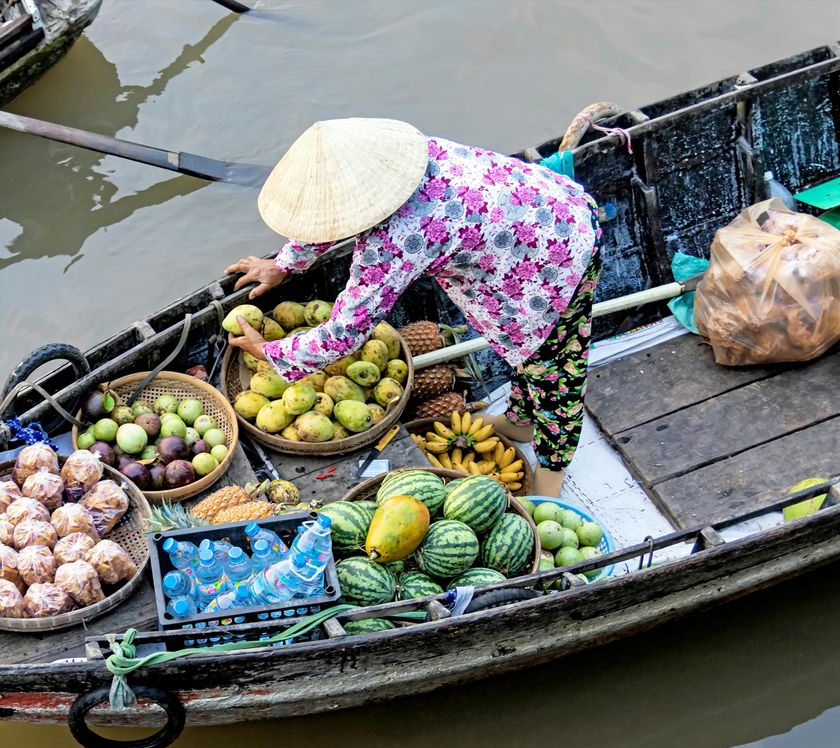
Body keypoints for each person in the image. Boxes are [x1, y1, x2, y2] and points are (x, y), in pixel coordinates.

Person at [225, 118, 602, 497]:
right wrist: (284, 263)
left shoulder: (397, 240)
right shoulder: (412, 158)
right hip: (542, 214)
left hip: (556, 263)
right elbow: (331, 217)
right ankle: (521, 420)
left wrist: (271, 352)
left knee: (554, 372)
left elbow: (344, 333)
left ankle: (554, 468)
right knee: (526, 352)